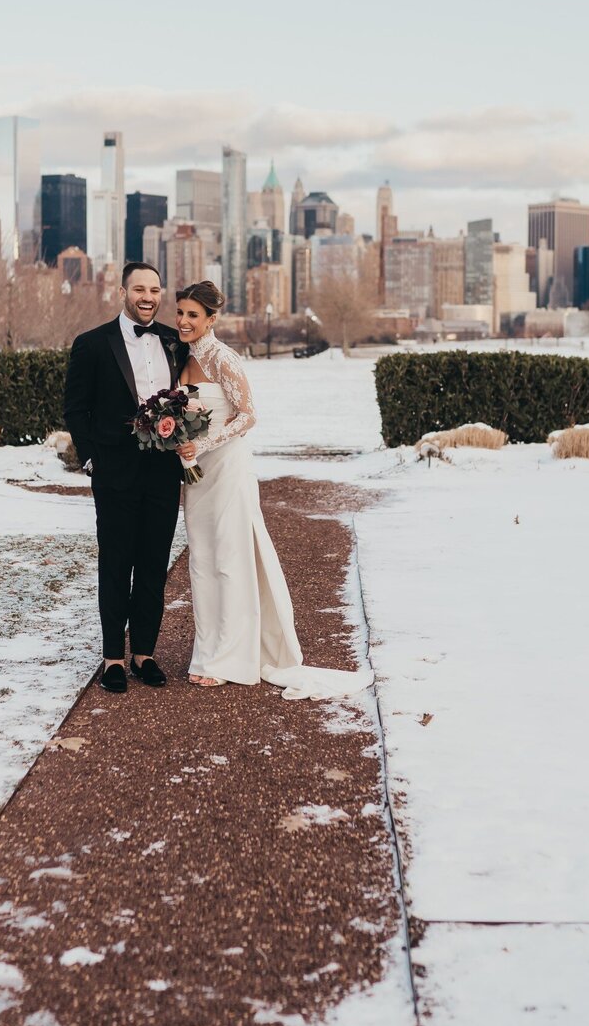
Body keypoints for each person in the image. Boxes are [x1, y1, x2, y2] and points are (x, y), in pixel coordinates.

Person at [173, 280, 370, 701]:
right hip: (198, 477)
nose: (184, 321)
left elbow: (247, 416)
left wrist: (202, 445)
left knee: (231, 559)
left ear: (211, 318)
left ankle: (232, 659)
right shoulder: (182, 359)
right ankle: (206, 654)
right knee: (202, 562)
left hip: (228, 468)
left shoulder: (224, 359)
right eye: (181, 313)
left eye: (193, 315)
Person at [63, 262, 187, 694]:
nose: (148, 297)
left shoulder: (175, 341)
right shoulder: (92, 344)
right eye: (139, 289)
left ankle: (144, 654)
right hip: (114, 473)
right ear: (122, 293)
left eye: (155, 289)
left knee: (154, 565)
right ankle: (113, 658)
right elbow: (75, 409)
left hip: (163, 472)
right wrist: (91, 460)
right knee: (116, 565)